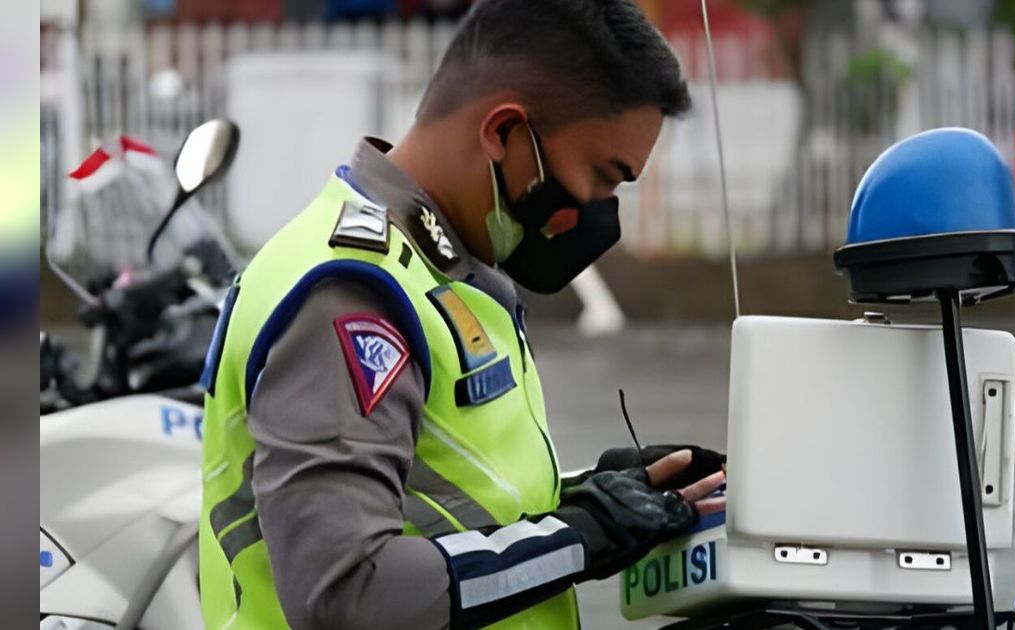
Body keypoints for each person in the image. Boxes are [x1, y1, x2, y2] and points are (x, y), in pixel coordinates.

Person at [197, 1, 727, 628]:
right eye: (603, 177)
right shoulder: (350, 294)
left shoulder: (438, 270)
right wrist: (580, 535)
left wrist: (589, 496)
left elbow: (438, 501)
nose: (600, 210)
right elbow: (345, 592)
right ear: (503, 133)